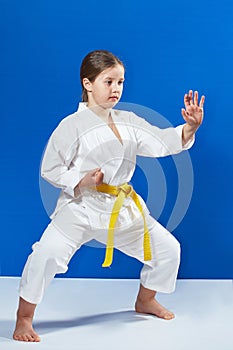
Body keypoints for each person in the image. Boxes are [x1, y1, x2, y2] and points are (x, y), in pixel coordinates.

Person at [13, 50, 205, 342]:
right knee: (46, 255)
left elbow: (159, 141)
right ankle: (23, 318)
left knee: (168, 250)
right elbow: (49, 170)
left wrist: (189, 128)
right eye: (108, 81)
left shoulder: (128, 119)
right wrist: (81, 180)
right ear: (88, 84)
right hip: (80, 208)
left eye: (120, 82)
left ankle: (145, 300)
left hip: (121, 207)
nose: (116, 88)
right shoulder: (71, 126)